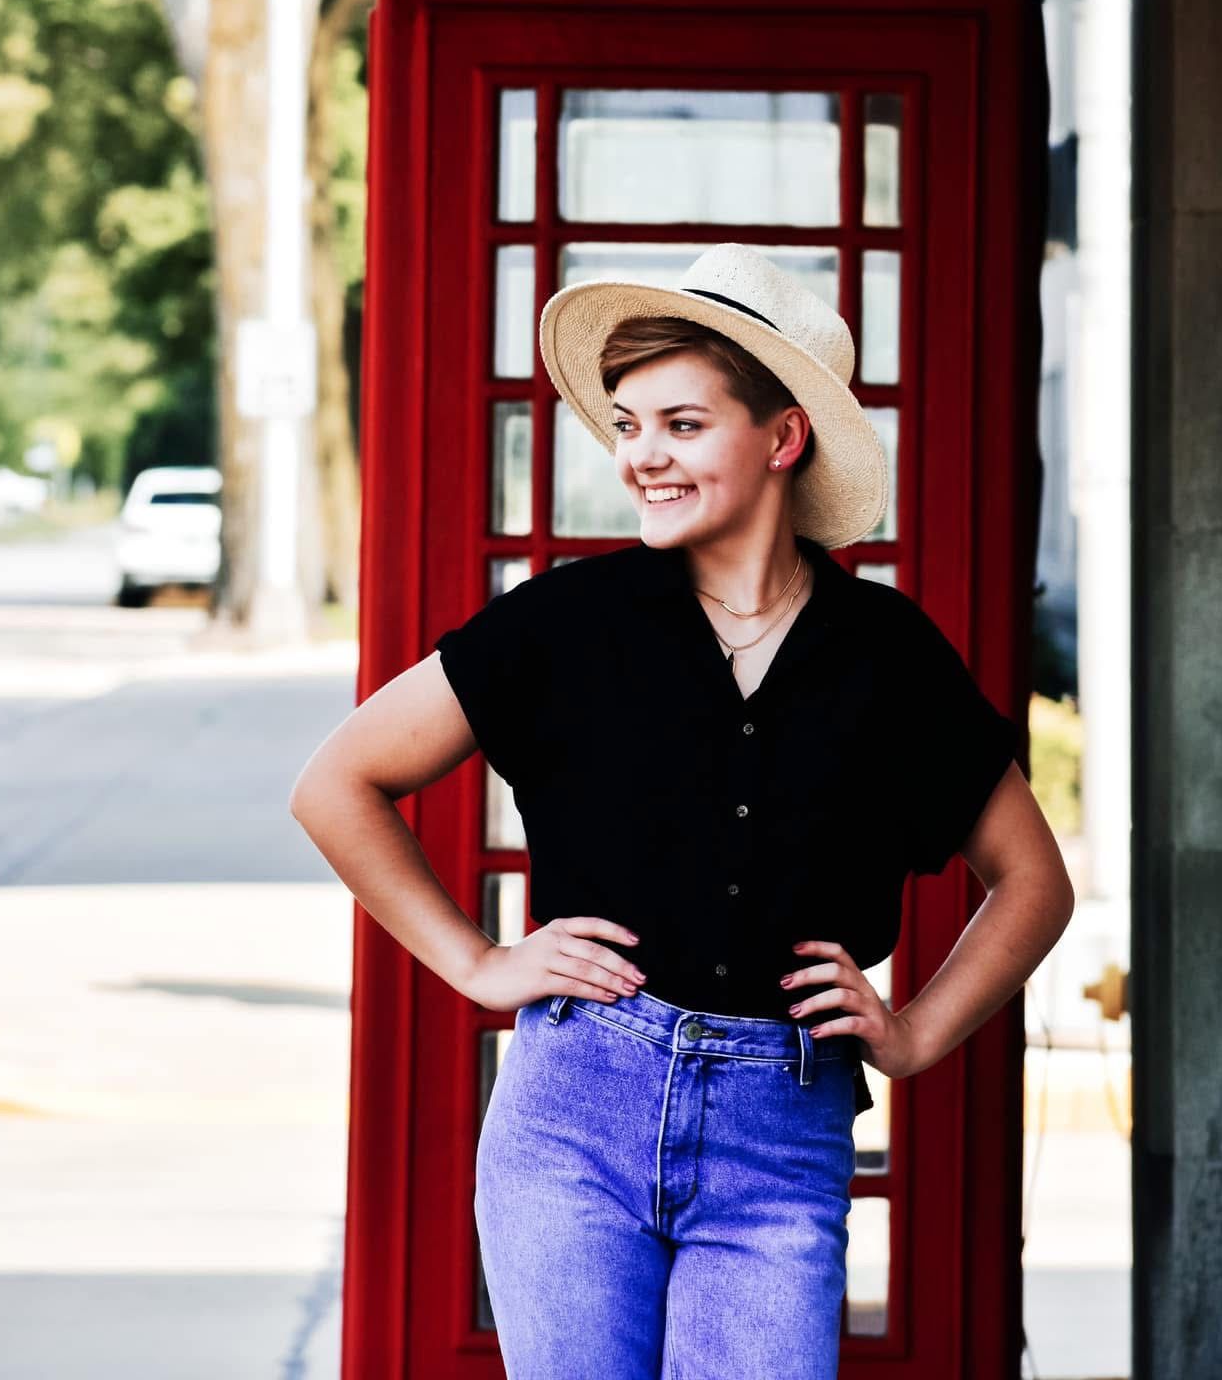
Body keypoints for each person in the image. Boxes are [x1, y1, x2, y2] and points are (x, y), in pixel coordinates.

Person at [289, 242, 1075, 1379]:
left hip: (781, 1124)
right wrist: (475, 960)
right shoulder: (565, 623)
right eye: (625, 424)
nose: (639, 456)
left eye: (680, 423)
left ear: (781, 435)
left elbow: (1033, 879)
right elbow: (335, 782)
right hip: (573, 1114)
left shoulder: (887, 657)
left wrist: (909, 1034)